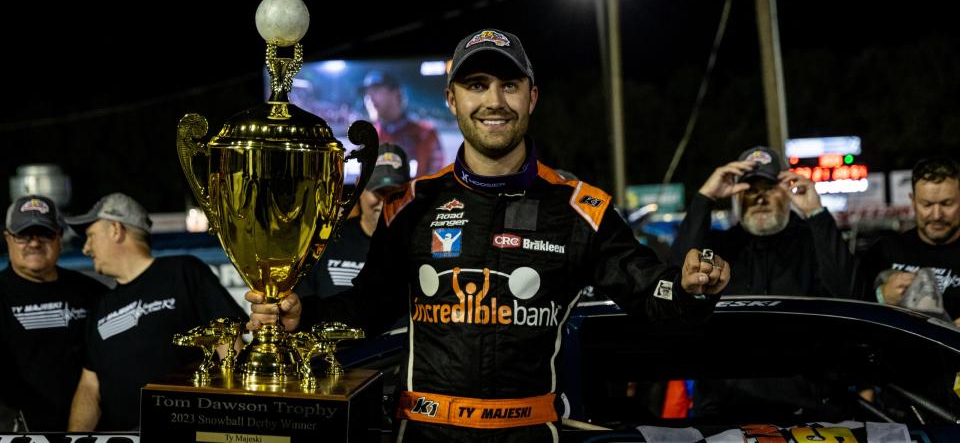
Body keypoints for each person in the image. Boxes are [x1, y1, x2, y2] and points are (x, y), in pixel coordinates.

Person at [248, 28, 730, 442]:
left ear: (531, 97)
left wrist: (689, 289)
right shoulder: (411, 207)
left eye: (509, 85)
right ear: (452, 99)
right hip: (422, 434)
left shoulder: (581, 209)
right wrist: (301, 315)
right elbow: (367, 309)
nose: (494, 101)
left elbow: (652, 295)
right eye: (477, 85)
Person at [65, 192, 245, 431]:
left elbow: (228, 341)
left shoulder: (182, 271)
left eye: (90, 236)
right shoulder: (101, 305)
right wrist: (74, 438)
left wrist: (237, 417)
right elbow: (89, 385)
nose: (86, 249)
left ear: (116, 229)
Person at [671, 146, 857, 298]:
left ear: (787, 191)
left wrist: (816, 213)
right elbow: (678, 277)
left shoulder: (813, 243)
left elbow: (849, 293)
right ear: (737, 196)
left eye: (769, 188)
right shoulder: (723, 246)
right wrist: (705, 197)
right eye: (751, 190)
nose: (760, 199)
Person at [0, 195, 107, 431]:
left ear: (60, 238)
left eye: (45, 234)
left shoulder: (92, 292)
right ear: (8, 239)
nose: (35, 243)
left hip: (93, 431)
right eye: (24, 234)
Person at [296, 143, 411, 298]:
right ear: (359, 187)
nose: (385, 202)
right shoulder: (326, 242)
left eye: (395, 193)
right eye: (378, 192)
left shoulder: (418, 245)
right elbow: (299, 307)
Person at [859, 157, 960, 323]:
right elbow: (851, 302)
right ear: (913, 201)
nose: (936, 215)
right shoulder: (885, 250)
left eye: (947, 204)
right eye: (926, 204)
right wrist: (881, 296)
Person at [361, 70, 445, 177]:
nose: (369, 98)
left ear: (396, 94)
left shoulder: (425, 134)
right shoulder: (366, 139)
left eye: (376, 90)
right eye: (366, 93)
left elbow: (436, 180)